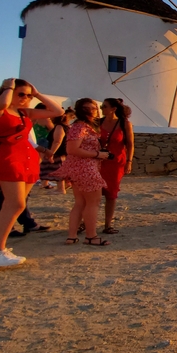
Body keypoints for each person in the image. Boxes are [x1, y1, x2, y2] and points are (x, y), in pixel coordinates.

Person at [0, 82, 62, 264]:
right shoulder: (0, 109)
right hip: (9, 157)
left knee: (16, 205)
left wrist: (38, 93)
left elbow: (57, 111)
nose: (25, 98)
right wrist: (9, 88)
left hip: (27, 158)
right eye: (21, 94)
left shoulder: (25, 112)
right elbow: (2, 104)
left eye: (28, 96)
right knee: (14, 204)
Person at [55, 98, 111, 245]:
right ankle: (91, 236)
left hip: (78, 168)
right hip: (85, 168)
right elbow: (72, 149)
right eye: (89, 108)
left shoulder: (83, 126)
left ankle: (72, 236)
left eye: (94, 108)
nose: (93, 111)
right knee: (93, 202)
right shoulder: (80, 127)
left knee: (80, 203)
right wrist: (98, 154)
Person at [99, 98, 134, 234]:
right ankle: (86, 222)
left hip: (116, 162)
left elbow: (130, 144)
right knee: (93, 193)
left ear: (113, 109)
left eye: (104, 106)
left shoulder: (124, 124)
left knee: (111, 193)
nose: (102, 109)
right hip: (99, 160)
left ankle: (108, 224)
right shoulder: (99, 123)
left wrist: (129, 162)